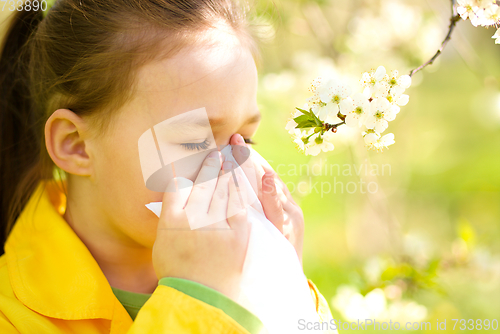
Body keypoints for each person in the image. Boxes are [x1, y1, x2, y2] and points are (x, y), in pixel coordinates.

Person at [0, 0, 334, 332]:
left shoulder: (253, 272)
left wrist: (283, 289)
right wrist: (197, 302)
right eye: (192, 140)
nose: (229, 170)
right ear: (76, 145)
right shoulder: (12, 315)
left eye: (244, 140)